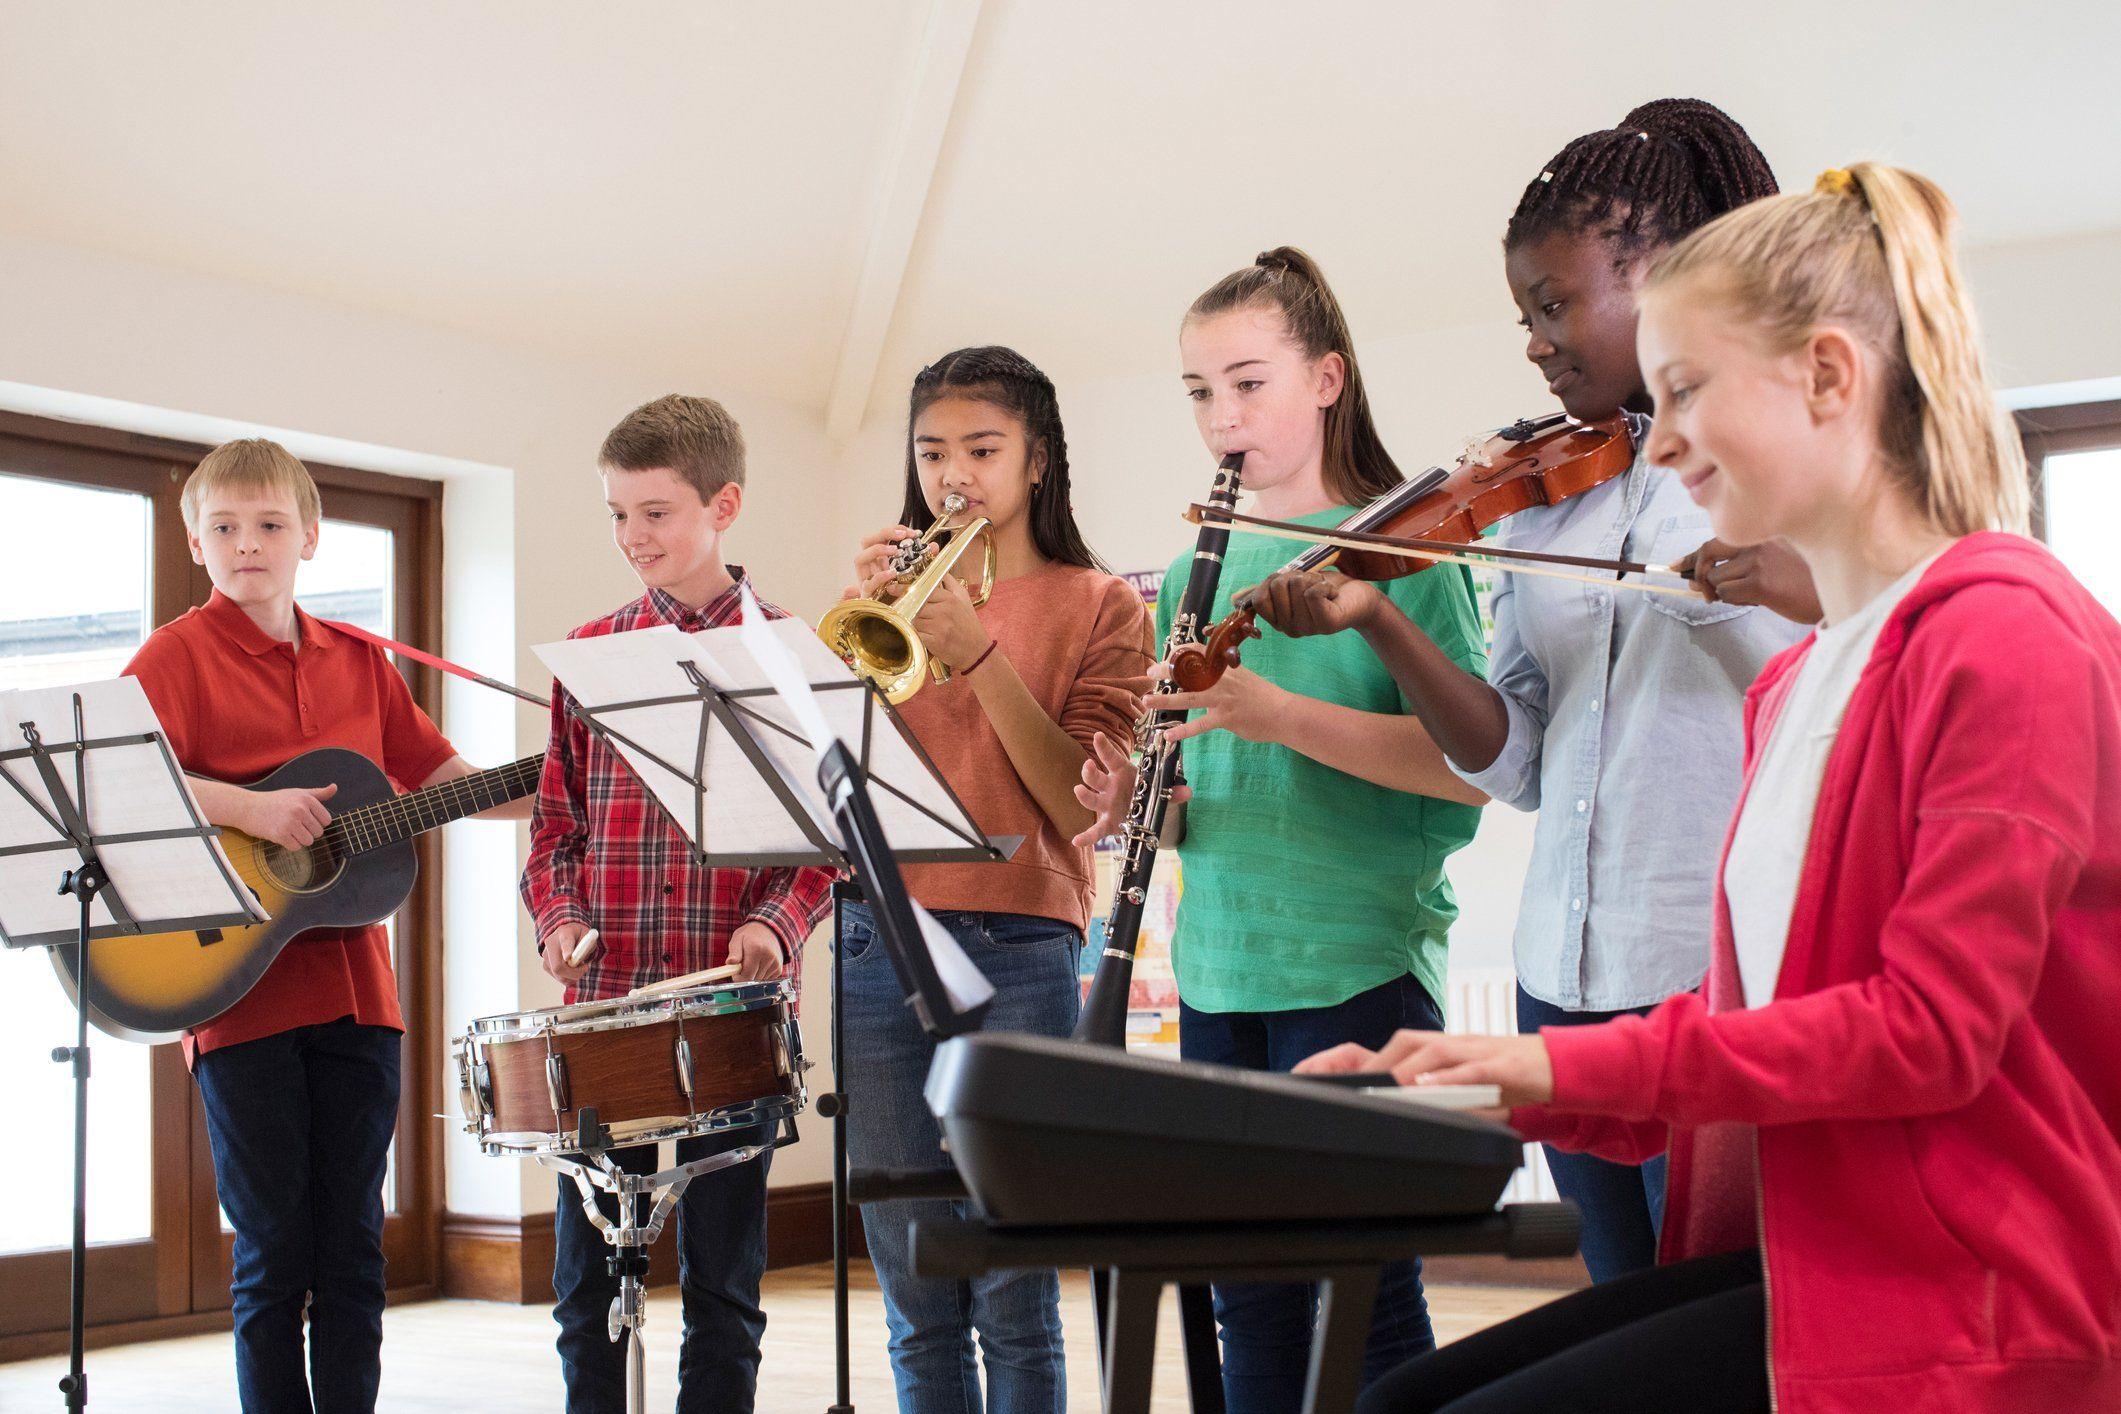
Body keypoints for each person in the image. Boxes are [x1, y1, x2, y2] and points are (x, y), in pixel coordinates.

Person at [1305, 162, 2121, 1414]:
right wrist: (1456, 1085)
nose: (1661, 436)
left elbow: (1929, 1035)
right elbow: (1745, 1083)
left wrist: (1539, 1074)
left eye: (1687, 389)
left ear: (1830, 376)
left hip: (1975, 1302)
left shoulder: (2007, 635)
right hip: (1816, 1260)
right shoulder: (1797, 687)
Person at [1251, 99, 1811, 1282]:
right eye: (1525, 316)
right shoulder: (1546, 497)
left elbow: (1853, 646)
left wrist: (1740, 579)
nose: (1536, 343)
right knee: (1621, 1318)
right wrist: (1386, 619)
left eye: (1555, 305)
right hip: (1564, 975)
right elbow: (1516, 762)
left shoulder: (1772, 459)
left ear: (1660, 277)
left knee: (1721, 1327)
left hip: (1711, 981)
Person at [1079, 246, 1488, 1414]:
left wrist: (1278, 714)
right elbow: (1216, 784)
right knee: (1243, 1289)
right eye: (1201, 391)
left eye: (1248, 382)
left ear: (1326, 379)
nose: (1221, 417)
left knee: (1364, 1282)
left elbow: (1471, 770)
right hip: (1223, 963)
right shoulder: (1190, 571)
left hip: (1354, 957)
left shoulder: (1412, 546)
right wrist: (1135, 808)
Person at [125, 437, 528, 1414]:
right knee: (273, 1252)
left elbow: (444, 783)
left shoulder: (361, 659)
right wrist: (251, 809)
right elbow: (123, 782)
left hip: (359, 1000)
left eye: (268, 525)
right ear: (194, 539)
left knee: (352, 1248)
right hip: (234, 997)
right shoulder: (174, 656)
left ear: (309, 535)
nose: (246, 544)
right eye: (224, 526)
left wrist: (561, 780)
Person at [835, 345, 1153, 1414]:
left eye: (981, 447)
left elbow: (1076, 805)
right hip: (880, 938)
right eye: (931, 451)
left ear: (1037, 461)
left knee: (1013, 1285)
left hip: (1021, 940)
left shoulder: (1101, 601)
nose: (952, 473)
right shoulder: (884, 600)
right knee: (914, 1283)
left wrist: (976, 653)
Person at [521, 394, 836, 1414]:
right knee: (584, 1286)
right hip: (606, 1008)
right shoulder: (589, 654)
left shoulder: (793, 654)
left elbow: (827, 845)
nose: (633, 537)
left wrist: (773, 925)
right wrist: (559, 918)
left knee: (724, 1286)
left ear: (725, 504)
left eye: (655, 511)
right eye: (618, 513)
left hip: (731, 1011)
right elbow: (553, 833)